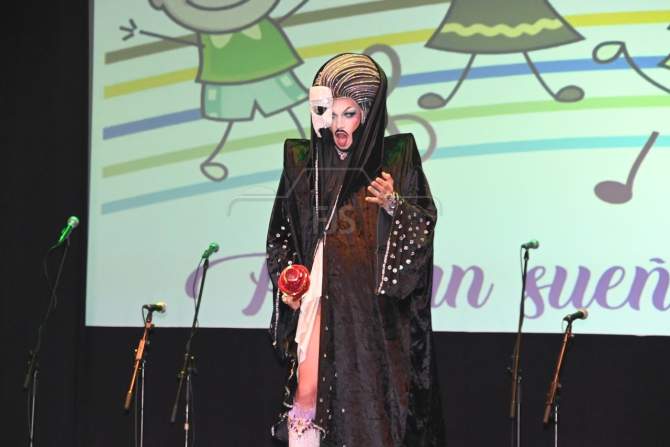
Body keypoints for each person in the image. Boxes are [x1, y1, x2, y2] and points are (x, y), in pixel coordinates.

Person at [266, 53, 445, 446]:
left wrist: (394, 204)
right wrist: (289, 282)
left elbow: (423, 224)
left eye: (349, 114)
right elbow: (282, 232)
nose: (339, 125)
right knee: (307, 391)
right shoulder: (303, 162)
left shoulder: (395, 158)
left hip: (372, 312)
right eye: (332, 114)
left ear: (366, 114)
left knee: (370, 406)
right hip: (321, 293)